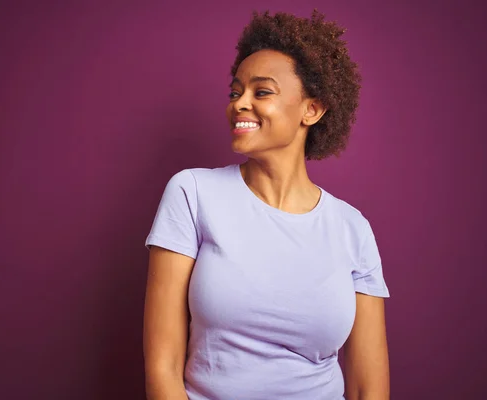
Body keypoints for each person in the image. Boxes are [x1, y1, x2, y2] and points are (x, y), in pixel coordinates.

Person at [143, 9, 390, 400]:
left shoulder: (352, 228)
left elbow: (367, 388)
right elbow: (163, 367)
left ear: (312, 109)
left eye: (261, 92)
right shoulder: (192, 193)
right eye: (235, 91)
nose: (239, 103)